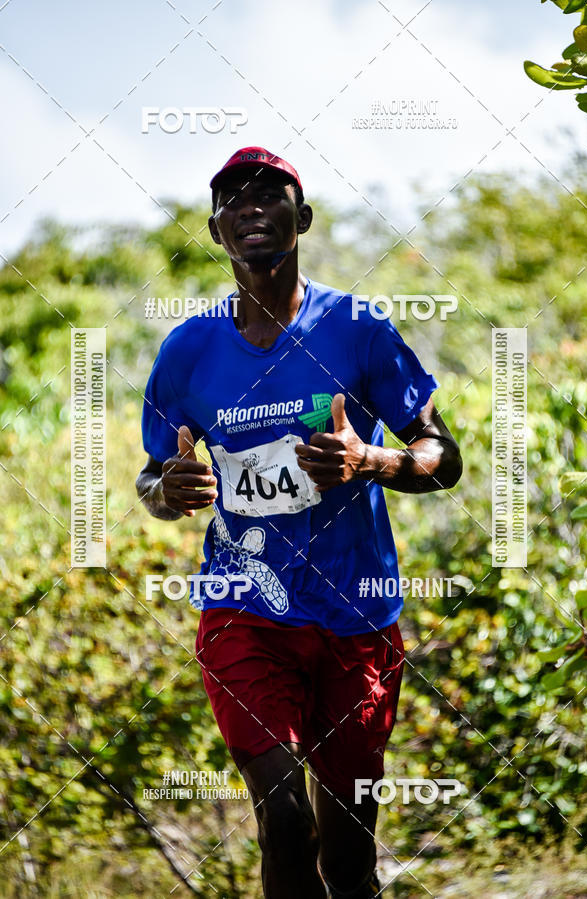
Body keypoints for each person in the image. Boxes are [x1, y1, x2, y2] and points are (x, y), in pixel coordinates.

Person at [136, 146, 462, 898]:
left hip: (357, 620)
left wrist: (369, 460)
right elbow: (153, 479)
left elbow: (442, 457)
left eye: (270, 194)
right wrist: (171, 485)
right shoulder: (186, 352)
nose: (250, 206)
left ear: (302, 218)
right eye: (231, 199)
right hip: (246, 612)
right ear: (216, 231)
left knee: (349, 860)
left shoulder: (359, 327)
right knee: (285, 819)